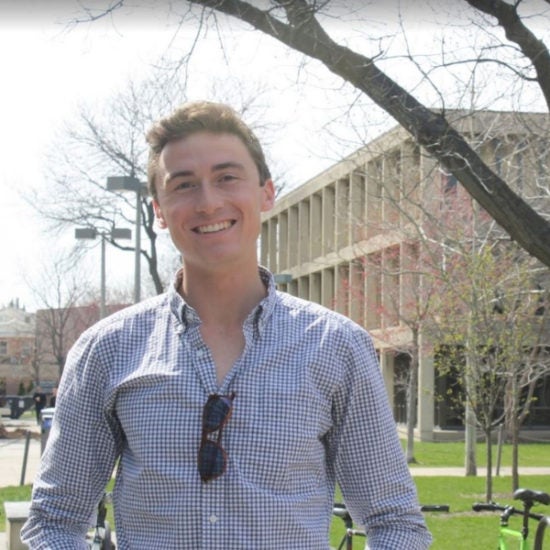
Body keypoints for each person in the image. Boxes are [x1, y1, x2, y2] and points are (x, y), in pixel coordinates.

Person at [22, 101, 432, 549]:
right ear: (159, 210)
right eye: (184, 185)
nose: (208, 201)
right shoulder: (108, 349)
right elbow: (54, 521)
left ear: (266, 193)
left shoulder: (337, 348)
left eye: (227, 177)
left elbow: (394, 522)